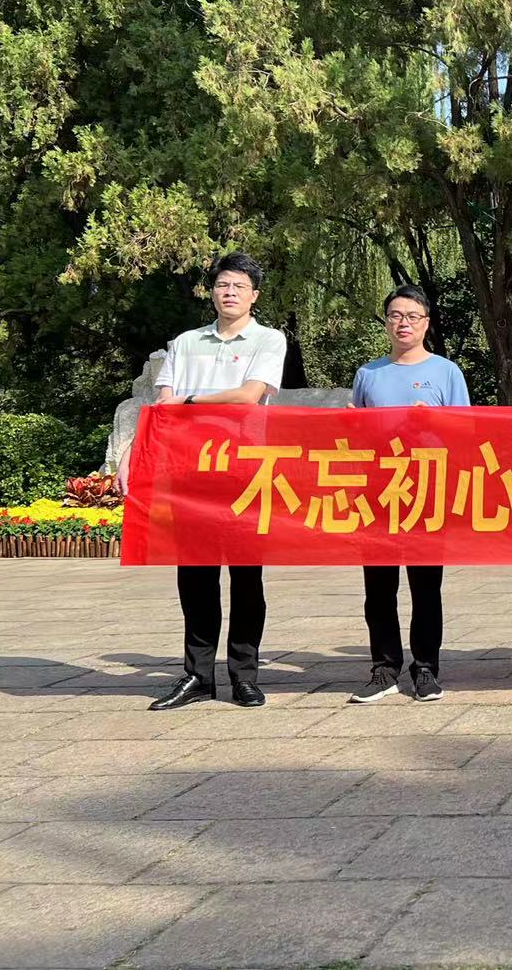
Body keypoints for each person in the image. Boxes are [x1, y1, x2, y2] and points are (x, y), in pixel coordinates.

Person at [146, 252, 288, 711]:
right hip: (191, 472)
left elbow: (248, 396)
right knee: (195, 578)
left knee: (247, 577)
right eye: (223, 284)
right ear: (211, 292)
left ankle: (244, 676)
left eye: (239, 286)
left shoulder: (268, 339)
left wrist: (189, 400)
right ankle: (197, 676)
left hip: (244, 470)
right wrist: (183, 406)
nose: (230, 293)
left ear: (254, 295)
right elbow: (163, 403)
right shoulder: (186, 342)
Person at [346, 286, 470, 704]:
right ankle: (383, 668)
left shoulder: (446, 372)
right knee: (378, 587)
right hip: (377, 492)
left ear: (426, 323)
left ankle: (426, 668)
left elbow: (465, 431)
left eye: (413, 316)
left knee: (425, 586)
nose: (404, 323)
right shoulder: (368, 374)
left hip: (426, 490)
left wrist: (433, 421)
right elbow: (356, 434)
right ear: (386, 322)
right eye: (396, 315)